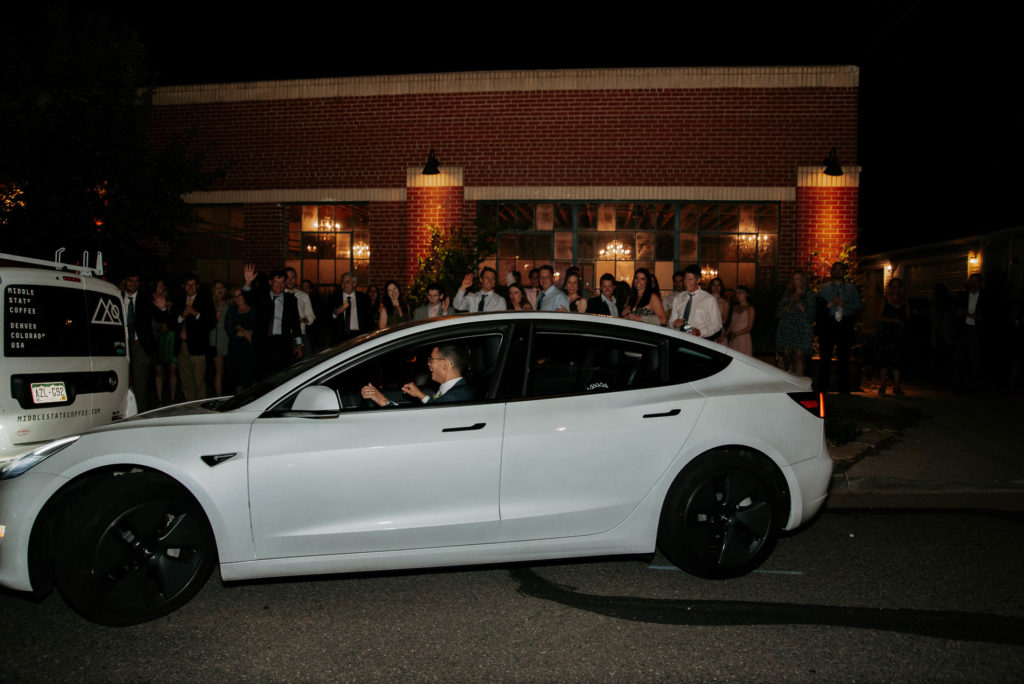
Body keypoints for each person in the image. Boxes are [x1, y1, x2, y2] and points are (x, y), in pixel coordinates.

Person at [361, 344, 474, 406]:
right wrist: (421, 395)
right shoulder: (457, 391)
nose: (428, 363)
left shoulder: (455, 397)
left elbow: (420, 422)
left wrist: (383, 401)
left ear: (445, 364)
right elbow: (434, 407)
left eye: (431, 359)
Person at [243, 264, 303, 378]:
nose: (279, 285)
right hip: (262, 343)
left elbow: (295, 323)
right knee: (262, 377)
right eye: (276, 281)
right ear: (270, 282)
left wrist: (299, 344)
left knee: (281, 377)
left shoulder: (290, 300)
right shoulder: (261, 296)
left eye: (282, 282)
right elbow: (248, 297)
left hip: (282, 344)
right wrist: (247, 283)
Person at [816, 262, 862, 393]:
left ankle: (843, 388)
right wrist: (829, 305)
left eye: (840, 269)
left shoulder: (851, 288)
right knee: (825, 356)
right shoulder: (823, 288)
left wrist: (844, 304)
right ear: (831, 272)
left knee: (844, 356)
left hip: (845, 323)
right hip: (828, 323)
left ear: (844, 272)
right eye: (835, 269)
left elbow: (858, 305)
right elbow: (818, 307)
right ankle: (823, 387)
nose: (837, 272)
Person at [121, 271, 161, 411]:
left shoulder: (145, 299)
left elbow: (161, 317)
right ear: (124, 282)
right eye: (130, 280)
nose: (133, 283)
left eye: (136, 281)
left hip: (140, 346)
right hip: (121, 347)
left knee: (141, 385)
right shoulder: (117, 298)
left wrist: (162, 307)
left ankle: (140, 413)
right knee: (121, 383)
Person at [172, 273, 214, 401]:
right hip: (182, 346)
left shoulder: (205, 300)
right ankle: (190, 405)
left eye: (193, 284)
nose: (190, 287)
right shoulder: (178, 301)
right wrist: (182, 316)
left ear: (198, 286)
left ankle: (200, 407)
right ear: (183, 286)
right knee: (185, 381)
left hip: (198, 347)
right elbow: (170, 323)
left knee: (199, 380)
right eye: (188, 284)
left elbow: (211, 322)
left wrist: (195, 313)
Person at [776, 270, 816, 376]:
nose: (795, 281)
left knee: (799, 354)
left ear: (803, 280)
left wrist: (798, 303)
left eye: (797, 279)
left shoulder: (809, 294)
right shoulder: (787, 294)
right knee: (787, 353)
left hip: (802, 327)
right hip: (788, 325)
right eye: (793, 279)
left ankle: (800, 381)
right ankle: (789, 379)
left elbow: (810, 314)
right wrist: (788, 304)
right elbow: (779, 311)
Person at [953, 273, 986, 393]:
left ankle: (974, 386)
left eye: (976, 281)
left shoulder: (985, 296)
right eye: (972, 281)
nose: (974, 283)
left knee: (975, 359)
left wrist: (979, 317)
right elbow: (954, 308)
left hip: (976, 330)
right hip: (963, 328)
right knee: (959, 358)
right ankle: (958, 385)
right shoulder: (962, 295)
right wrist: (960, 312)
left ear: (980, 282)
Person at [876, 277, 909, 396]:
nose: (895, 289)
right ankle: (883, 384)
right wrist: (892, 320)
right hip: (886, 333)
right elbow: (878, 317)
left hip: (899, 334)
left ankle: (897, 385)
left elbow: (907, 317)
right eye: (893, 287)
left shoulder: (904, 302)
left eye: (897, 287)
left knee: (897, 360)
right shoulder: (885, 301)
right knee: (884, 359)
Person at [668, 265, 721, 337]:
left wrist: (700, 332)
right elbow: (671, 322)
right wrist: (674, 324)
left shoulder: (709, 299)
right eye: (685, 279)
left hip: (699, 342)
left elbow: (717, 324)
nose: (686, 282)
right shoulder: (678, 298)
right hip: (679, 340)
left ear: (698, 280)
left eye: (690, 279)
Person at [224, 286, 256, 391]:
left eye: (240, 295)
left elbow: (259, 326)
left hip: (250, 347)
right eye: (235, 296)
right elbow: (228, 328)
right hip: (236, 347)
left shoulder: (253, 309)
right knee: (238, 378)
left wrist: (250, 333)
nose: (238, 298)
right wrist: (241, 332)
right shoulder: (232, 311)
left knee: (251, 376)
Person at [152, 278, 178, 406]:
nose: (160, 289)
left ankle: (172, 399)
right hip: (158, 338)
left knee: (172, 369)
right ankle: (160, 400)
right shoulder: (150, 301)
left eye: (162, 287)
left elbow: (175, 320)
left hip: (170, 337)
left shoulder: (172, 302)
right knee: (158, 370)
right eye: (158, 286)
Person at [330, 272, 375, 343]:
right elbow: (326, 319)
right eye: (343, 282)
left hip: (359, 335)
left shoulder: (364, 298)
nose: (344, 284)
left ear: (354, 284)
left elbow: (369, 320)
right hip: (340, 336)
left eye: (347, 281)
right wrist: (336, 312)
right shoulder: (334, 298)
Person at [284, 267, 316, 352]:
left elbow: (311, 317)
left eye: (292, 277)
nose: (290, 280)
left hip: (301, 334)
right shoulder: (279, 295)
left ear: (296, 279)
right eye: (287, 278)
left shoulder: (303, 295)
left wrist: (302, 319)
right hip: (283, 336)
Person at [209, 280, 230, 396]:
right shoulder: (210, 304)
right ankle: (218, 397)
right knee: (219, 371)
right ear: (213, 290)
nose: (219, 290)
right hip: (216, 340)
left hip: (227, 339)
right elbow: (214, 320)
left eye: (221, 287)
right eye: (217, 288)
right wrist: (220, 305)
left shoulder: (228, 302)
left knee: (227, 371)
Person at [727, 285, 755, 355]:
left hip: (743, 337)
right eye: (737, 293)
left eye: (740, 293)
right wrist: (724, 335)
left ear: (747, 294)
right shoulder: (735, 307)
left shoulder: (750, 308)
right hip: (734, 337)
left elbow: (749, 327)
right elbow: (731, 325)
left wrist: (736, 334)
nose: (738, 295)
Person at [708, 277, 731, 342]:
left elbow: (724, 320)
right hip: (706, 328)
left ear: (721, 287)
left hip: (718, 329)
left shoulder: (725, 302)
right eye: (714, 285)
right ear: (711, 287)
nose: (716, 287)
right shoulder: (706, 300)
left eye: (718, 285)